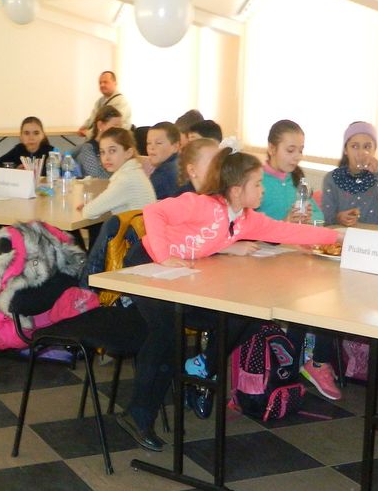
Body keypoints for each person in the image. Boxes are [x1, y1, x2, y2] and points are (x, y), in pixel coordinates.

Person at [117, 149, 339, 451]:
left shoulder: (245, 219)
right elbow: (154, 212)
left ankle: (201, 367)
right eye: (257, 184)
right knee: (167, 333)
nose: (262, 190)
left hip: (180, 272)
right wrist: (164, 256)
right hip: (148, 263)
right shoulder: (202, 204)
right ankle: (138, 414)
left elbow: (286, 230)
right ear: (236, 190)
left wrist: (337, 238)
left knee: (249, 314)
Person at [320, 120, 378, 227]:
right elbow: (326, 219)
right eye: (355, 146)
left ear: (374, 149)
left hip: (375, 235)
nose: (361, 153)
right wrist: (338, 218)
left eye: (367, 147)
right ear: (345, 150)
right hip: (344, 235)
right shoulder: (332, 179)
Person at [81, 127, 156, 221]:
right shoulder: (134, 172)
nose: (106, 158)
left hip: (135, 230)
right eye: (102, 152)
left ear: (128, 153)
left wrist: (88, 206)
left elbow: (88, 212)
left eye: (112, 151)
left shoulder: (125, 179)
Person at [261, 119, 325, 224]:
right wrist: (284, 222)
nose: (298, 157)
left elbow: (319, 216)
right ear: (272, 148)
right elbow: (247, 225)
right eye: (290, 150)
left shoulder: (297, 178)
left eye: (300, 150)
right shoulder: (257, 181)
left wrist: (308, 218)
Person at [74, 106, 122, 179]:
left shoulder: (119, 147)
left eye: (120, 127)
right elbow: (96, 177)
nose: (120, 131)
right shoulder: (88, 149)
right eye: (115, 126)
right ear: (100, 125)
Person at [78, 70, 130, 136]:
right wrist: (84, 126)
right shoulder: (100, 101)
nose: (102, 85)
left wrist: (88, 133)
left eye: (105, 82)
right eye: (100, 83)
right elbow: (92, 118)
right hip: (100, 138)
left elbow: (112, 126)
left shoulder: (121, 102)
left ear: (115, 83)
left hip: (116, 139)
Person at [144, 121, 182, 200]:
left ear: (175, 147)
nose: (151, 147)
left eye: (158, 143)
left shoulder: (164, 172)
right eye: (149, 143)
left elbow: (143, 198)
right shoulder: (180, 164)